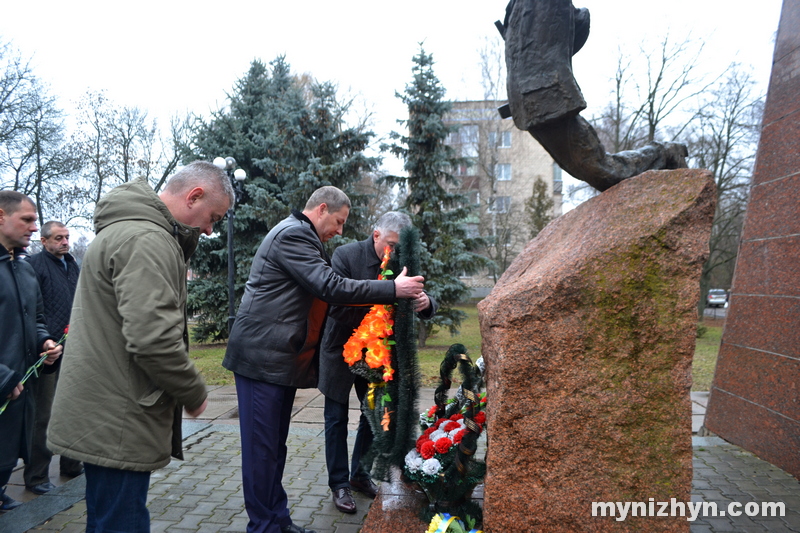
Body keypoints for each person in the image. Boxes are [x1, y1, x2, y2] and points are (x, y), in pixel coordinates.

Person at [223, 187, 426, 533]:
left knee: (273, 449)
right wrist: (393, 290)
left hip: (278, 361)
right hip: (262, 360)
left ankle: (277, 521)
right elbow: (330, 286)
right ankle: (265, 526)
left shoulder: (300, 235)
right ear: (320, 209)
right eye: (338, 221)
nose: (341, 230)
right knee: (262, 451)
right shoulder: (293, 236)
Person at [47, 162, 234, 533]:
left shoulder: (129, 230)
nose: (211, 229)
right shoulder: (147, 240)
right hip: (118, 415)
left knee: (107, 519)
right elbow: (153, 339)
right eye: (213, 216)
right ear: (194, 196)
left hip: (104, 407)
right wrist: (193, 391)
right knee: (121, 523)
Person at [496, 0, 687, 191]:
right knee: (597, 171)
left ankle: (666, 153)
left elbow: (577, 23)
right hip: (526, 103)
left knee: (603, 171)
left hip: (547, 96)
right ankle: (665, 155)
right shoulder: (514, 5)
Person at [319, 211, 438, 514]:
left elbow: (422, 294)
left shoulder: (403, 261)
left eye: (400, 246)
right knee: (336, 418)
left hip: (378, 355)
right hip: (342, 349)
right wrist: (386, 296)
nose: (395, 251)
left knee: (375, 416)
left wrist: (425, 303)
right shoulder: (346, 256)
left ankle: (358, 475)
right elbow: (337, 307)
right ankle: (339, 484)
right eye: (390, 244)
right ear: (376, 235)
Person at [0, 191, 62, 512]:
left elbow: (37, 320)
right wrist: (3, 378)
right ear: (0, 217)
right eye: (27, 220)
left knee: (10, 449)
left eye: (35, 221)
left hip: (19, 390)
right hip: (5, 385)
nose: (34, 228)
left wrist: (44, 344)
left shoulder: (24, 271)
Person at [23, 221, 83, 494]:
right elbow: (33, 308)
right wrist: (44, 339)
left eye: (67, 237)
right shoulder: (35, 265)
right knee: (43, 415)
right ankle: (36, 477)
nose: (65, 242)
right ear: (44, 241)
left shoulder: (73, 265)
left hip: (75, 348)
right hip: (47, 351)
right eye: (58, 238)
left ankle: (72, 464)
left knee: (74, 410)